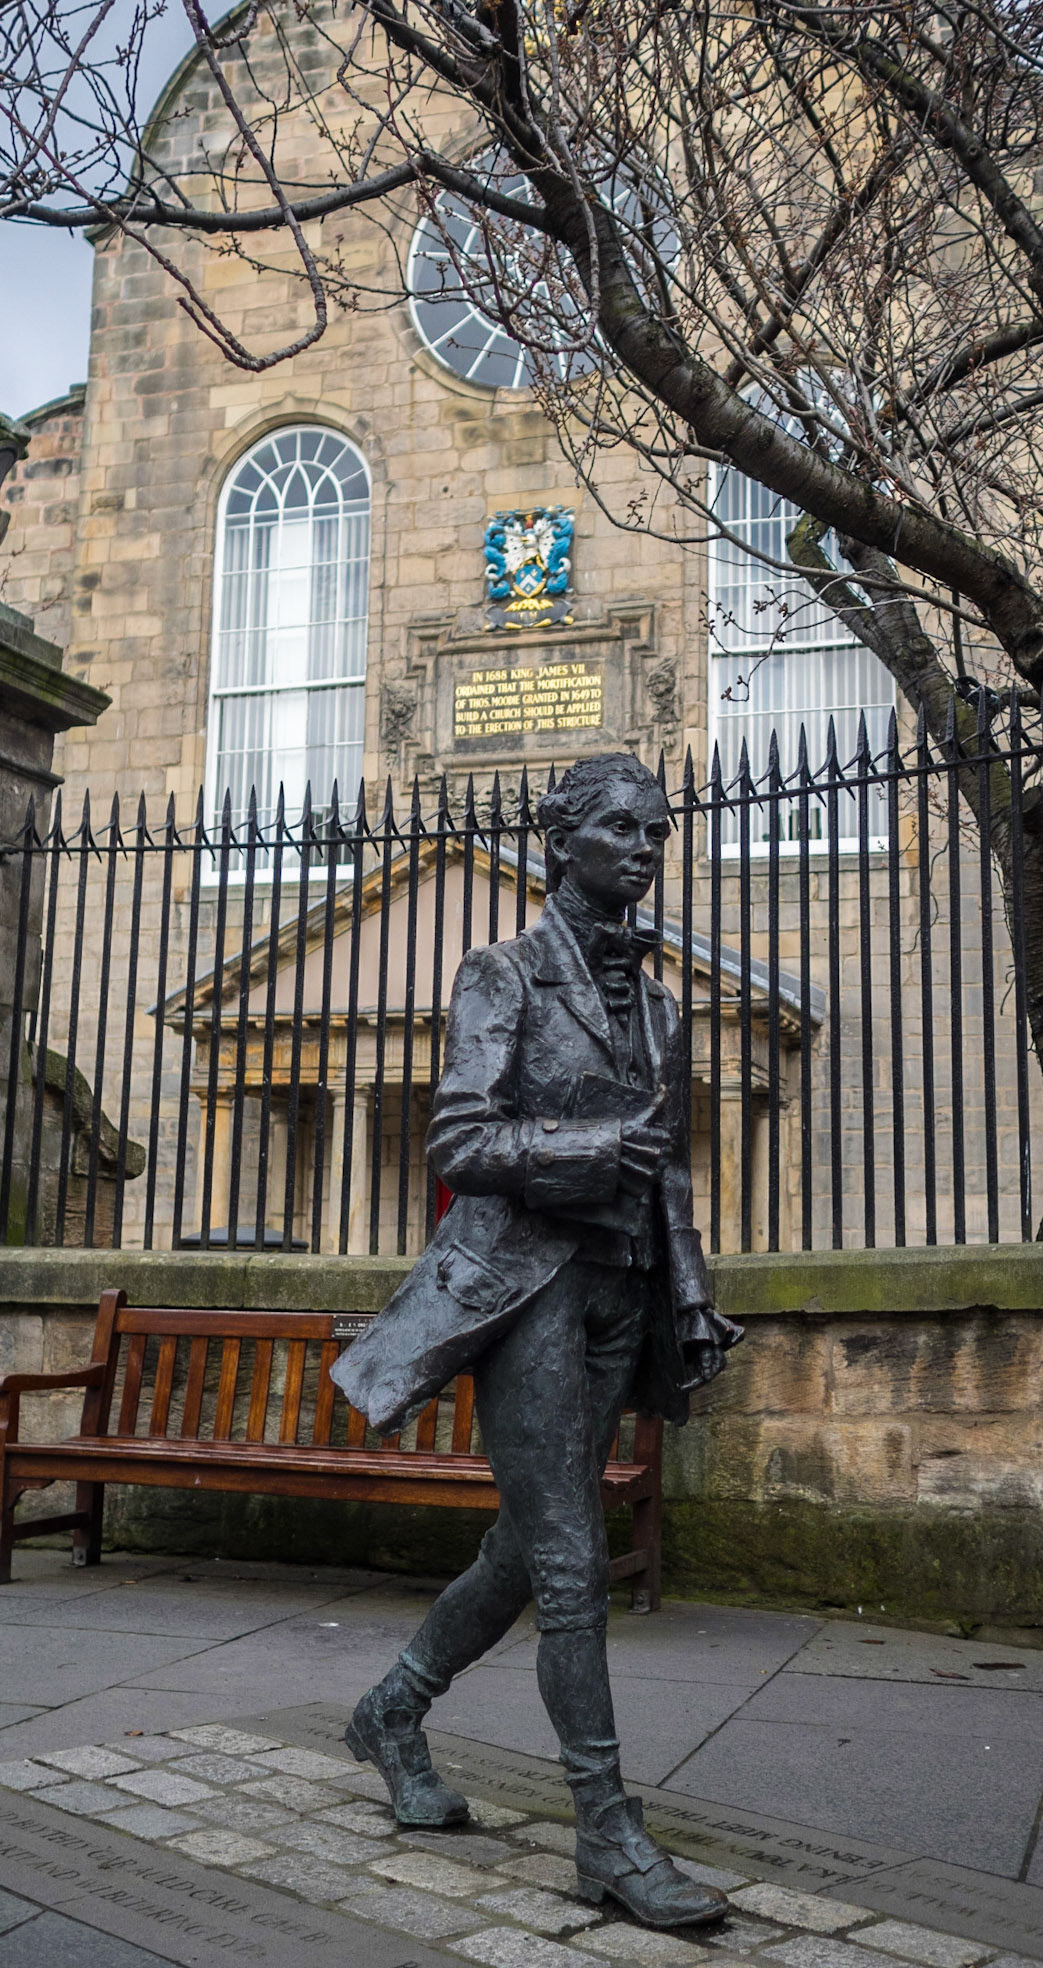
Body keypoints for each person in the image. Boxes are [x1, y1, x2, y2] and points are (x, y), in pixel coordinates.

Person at [330, 752, 740, 1928]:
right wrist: (580, 1151)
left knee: (521, 1549)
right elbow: (459, 1137)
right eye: (621, 825)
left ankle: (393, 1710)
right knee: (570, 1564)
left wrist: (690, 1298)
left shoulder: (659, 1002)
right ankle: (607, 1835)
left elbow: (665, 1179)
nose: (648, 844)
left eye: (659, 828)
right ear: (562, 840)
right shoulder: (500, 972)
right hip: (524, 1296)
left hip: (620, 1292)